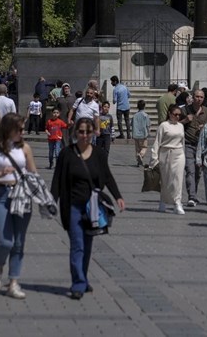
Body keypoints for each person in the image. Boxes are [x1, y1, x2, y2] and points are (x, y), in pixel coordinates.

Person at [50, 117, 124, 300]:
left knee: (88, 246)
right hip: (72, 206)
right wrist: (52, 201)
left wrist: (118, 196)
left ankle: (82, 277)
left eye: (88, 132)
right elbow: (57, 180)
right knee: (77, 245)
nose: (84, 136)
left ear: (93, 133)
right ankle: (78, 283)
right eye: (81, 132)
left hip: (92, 208)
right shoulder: (66, 154)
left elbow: (106, 176)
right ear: (75, 132)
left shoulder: (98, 153)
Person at [0, 115, 37, 300]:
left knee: (19, 242)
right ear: (8, 129)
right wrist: (0, 174)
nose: (22, 132)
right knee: (5, 241)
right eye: (19, 129)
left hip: (22, 195)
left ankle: (13, 282)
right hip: (1, 195)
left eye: (23, 129)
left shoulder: (25, 148)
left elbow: (33, 172)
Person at [151, 104, 186, 214]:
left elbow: (182, 141)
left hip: (179, 153)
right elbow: (157, 142)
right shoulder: (163, 125)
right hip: (166, 153)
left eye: (179, 115)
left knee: (178, 179)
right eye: (175, 114)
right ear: (169, 114)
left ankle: (177, 202)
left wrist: (183, 153)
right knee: (166, 179)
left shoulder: (181, 126)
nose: (177, 117)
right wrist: (154, 158)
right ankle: (163, 200)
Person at [131, 99, 150, 168]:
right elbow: (148, 125)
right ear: (144, 106)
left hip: (136, 134)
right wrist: (148, 131)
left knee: (137, 148)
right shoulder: (145, 115)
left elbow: (131, 124)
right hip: (143, 134)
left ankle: (138, 160)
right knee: (144, 147)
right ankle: (141, 155)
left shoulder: (135, 115)